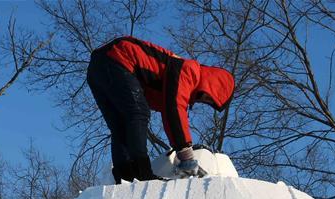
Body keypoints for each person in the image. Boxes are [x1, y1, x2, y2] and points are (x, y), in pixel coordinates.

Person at [86, 36, 235, 183]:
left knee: (120, 124)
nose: (203, 100)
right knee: (138, 113)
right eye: (209, 98)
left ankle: (125, 174)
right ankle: (141, 172)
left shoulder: (176, 80)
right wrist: (186, 156)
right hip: (119, 57)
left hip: (97, 69)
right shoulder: (189, 70)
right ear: (213, 84)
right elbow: (174, 110)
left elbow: (169, 113)